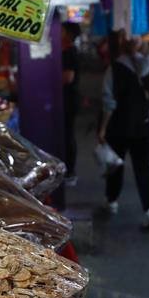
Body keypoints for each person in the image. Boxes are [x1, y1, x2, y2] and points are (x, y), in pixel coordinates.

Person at [99, 29, 149, 229]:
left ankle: (112, 201)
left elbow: (108, 101)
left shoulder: (114, 68)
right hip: (144, 127)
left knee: (116, 164)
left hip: (119, 126)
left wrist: (103, 128)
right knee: (144, 167)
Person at [61, 22, 82, 185]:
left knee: (67, 134)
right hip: (67, 98)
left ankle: (70, 171)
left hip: (68, 99)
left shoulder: (70, 52)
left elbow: (68, 78)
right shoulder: (66, 50)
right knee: (66, 133)